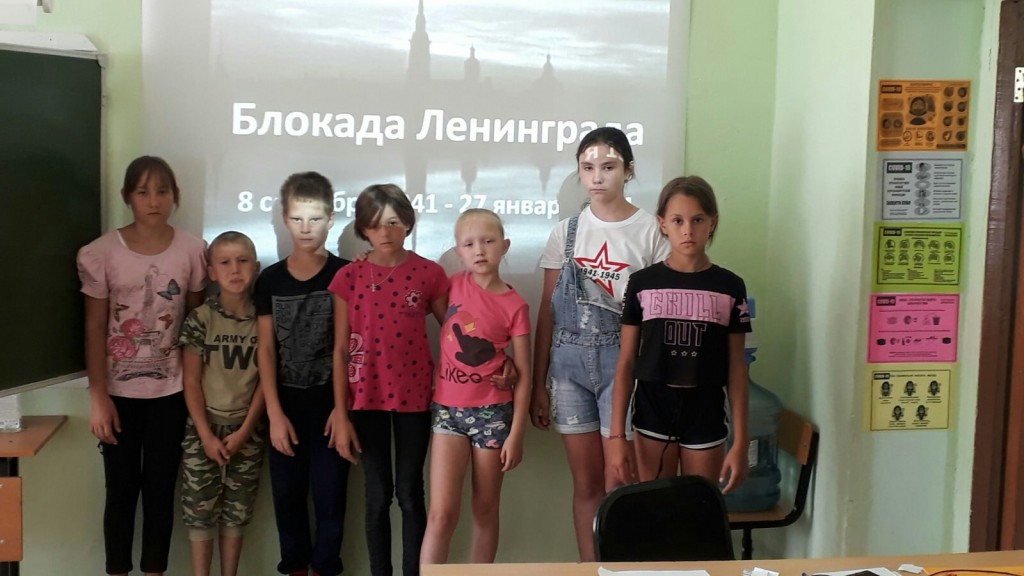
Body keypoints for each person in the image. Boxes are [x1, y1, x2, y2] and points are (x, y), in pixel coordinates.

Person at [530, 127, 670, 561]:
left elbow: (658, 318)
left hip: (622, 365)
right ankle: (591, 569)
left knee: (619, 481)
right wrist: (538, 385)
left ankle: (624, 569)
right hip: (567, 369)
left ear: (628, 170)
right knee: (587, 484)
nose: (596, 177)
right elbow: (548, 313)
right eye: (587, 167)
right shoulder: (566, 233)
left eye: (608, 167)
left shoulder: (650, 232)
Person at [77, 155, 207, 576]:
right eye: (143, 191)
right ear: (127, 197)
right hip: (118, 394)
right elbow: (95, 326)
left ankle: (154, 571)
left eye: (163, 191)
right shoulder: (101, 252)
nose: (154, 200)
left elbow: (195, 322)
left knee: (159, 490)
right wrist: (98, 396)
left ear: (175, 196)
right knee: (120, 491)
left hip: (171, 392)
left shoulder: (192, 250)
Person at [329, 184, 449, 576]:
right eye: (375, 224)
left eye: (394, 222)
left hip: (415, 397)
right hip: (365, 398)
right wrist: (341, 412)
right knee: (378, 494)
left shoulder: (429, 273)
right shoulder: (349, 276)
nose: (385, 232)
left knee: (410, 493)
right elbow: (340, 348)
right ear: (363, 228)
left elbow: (454, 334)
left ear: (408, 223)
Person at [608, 175, 751, 491]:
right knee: (655, 507)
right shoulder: (642, 283)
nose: (688, 230)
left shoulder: (730, 286)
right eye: (677, 220)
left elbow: (737, 368)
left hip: (705, 409)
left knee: (698, 505)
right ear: (662, 223)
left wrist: (741, 441)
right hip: (653, 408)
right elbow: (626, 361)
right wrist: (617, 436)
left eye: (697, 219)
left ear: (712, 222)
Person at [420, 209, 532, 564]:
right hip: (447, 413)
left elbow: (524, 374)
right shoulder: (451, 285)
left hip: (493, 415)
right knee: (441, 514)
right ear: (458, 252)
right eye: (469, 244)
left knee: (484, 510)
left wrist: (516, 435)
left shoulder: (515, 305)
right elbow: (415, 284)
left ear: (505, 245)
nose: (479, 250)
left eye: (488, 241)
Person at [255, 172, 350, 576]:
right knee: (287, 499)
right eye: (297, 219)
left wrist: (342, 411)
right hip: (285, 408)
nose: (306, 228)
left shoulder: (345, 275)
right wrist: (274, 413)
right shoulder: (269, 280)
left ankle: (325, 568)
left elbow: (345, 347)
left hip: (331, 408)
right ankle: (294, 567)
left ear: (331, 219)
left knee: (331, 498)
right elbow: (265, 350)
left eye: (315, 219)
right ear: (284, 219)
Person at [179, 231, 265, 576]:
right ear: (212, 272)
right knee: (200, 512)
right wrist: (206, 435)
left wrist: (245, 431)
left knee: (237, 512)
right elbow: (190, 381)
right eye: (225, 262)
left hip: (247, 429)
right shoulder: (200, 318)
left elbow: (265, 382)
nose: (235, 269)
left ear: (256, 267)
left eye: (243, 261)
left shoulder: (264, 320)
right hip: (203, 429)